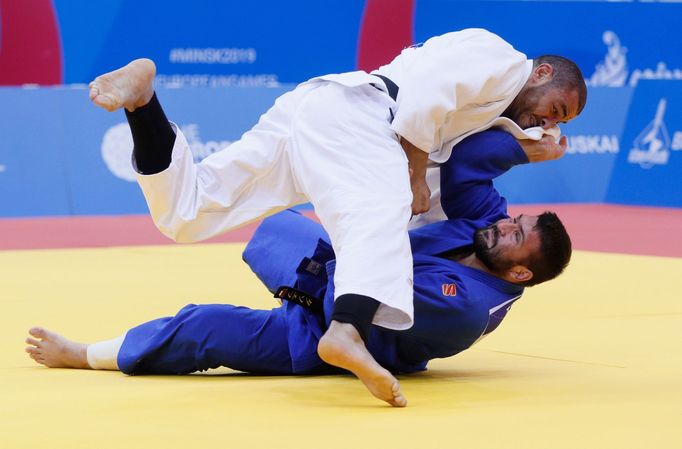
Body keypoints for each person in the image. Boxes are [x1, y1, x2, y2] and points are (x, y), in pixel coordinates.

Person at [87, 28, 585, 406]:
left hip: (319, 116)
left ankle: (143, 104)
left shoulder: (498, 109)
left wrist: (523, 147)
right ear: (541, 74)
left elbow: (466, 164)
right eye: (556, 108)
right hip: (361, 117)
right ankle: (346, 329)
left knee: (187, 213)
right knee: (384, 208)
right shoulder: (497, 57)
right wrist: (412, 175)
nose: (549, 123)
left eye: (559, 123)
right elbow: (426, 99)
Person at [26, 128, 572, 407]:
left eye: (515, 235)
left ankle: (88, 355)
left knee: (204, 325)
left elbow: (356, 303)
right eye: (514, 221)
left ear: (520, 274)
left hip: (327, 337)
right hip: (342, 280)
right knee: (277, 217)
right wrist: (523, 150)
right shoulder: (484, 228)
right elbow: (472, 165)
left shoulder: (465, 308)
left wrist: (324, 261)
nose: (505, 225)